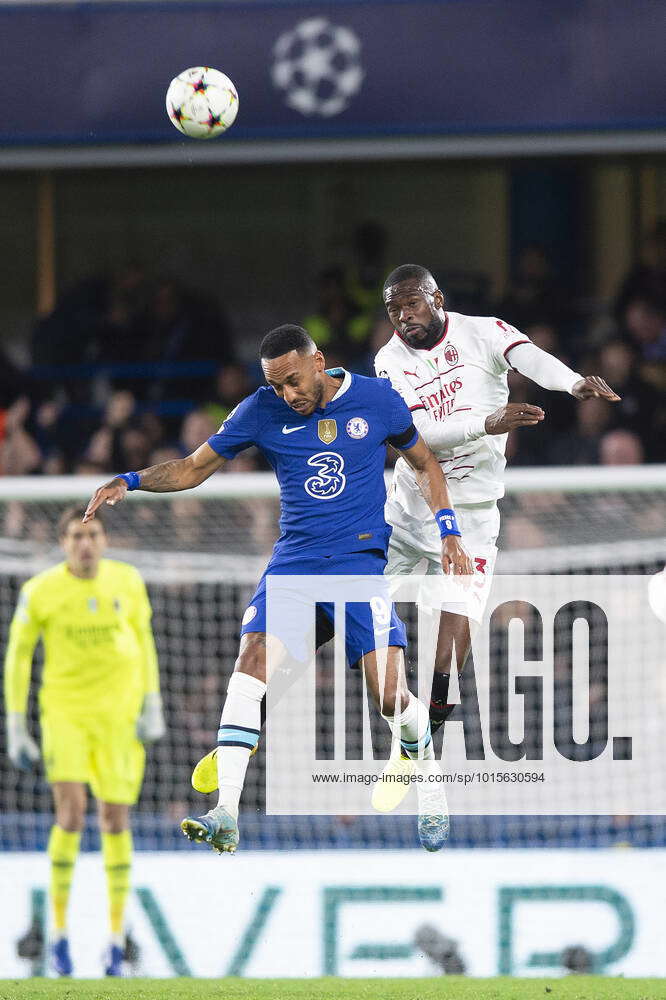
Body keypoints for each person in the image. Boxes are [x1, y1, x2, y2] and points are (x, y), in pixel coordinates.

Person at [83, 325, 471, 854]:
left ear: (319, 362)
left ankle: (428, 780)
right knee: (253, 660)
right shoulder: (261, 410)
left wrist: (449, 529)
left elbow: (425, 462)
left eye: (294, 381)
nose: (289, 395)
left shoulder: (378, 400)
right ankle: (226, 811)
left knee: (387, 694)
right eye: (278, 385)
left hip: (358, 565)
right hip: (294, 565)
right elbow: (194, 468)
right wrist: (129, 479)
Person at [372, 264, 620, 810]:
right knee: (364, 622)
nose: (403, 316)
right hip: (412, 515)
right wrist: (487, 423)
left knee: (452, 646)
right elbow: (413, 435)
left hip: (476, 515)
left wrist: (574, 381)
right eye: (394, 309)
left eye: (411, 304)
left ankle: (416, 748)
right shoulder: (388, 361)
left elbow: (528, 357)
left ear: (436, 298)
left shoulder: (482, 330)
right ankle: (396, 727)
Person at [3, 506, 165, 977]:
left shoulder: (128, 582)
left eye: (92, 534)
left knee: (115, 819)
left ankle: (116, 940)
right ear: (63, 543)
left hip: (119, 717)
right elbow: (18, 658)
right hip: (66, 715)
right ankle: (58, 936)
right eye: (76, 536)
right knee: (71, 813)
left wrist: (152, 701)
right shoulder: (40, 591)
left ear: (105, 540)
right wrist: (16, 722)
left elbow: (145, 640)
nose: (85, 543)